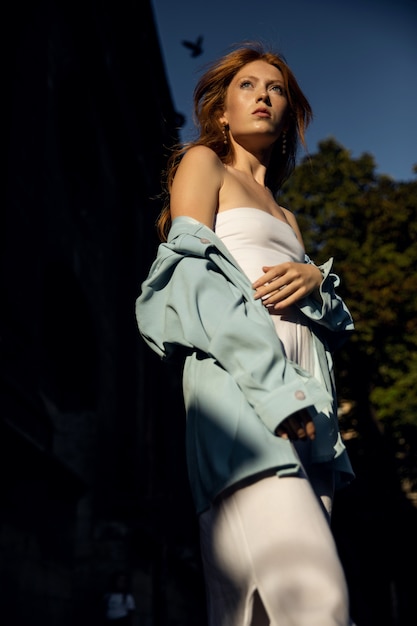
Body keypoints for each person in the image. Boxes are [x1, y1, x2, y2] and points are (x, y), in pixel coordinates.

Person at [136, 42, 355, 626]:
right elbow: (189, 278)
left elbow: (328, 327)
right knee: (317, 601)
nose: (263, 95)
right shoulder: (204, 163)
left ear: (288, 114)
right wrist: (275, 389)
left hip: (309, 416)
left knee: (253, 612)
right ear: (223, 111)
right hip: (244, 397)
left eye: (276, 88)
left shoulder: (287, 217)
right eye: (248, 86)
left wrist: (316, 282)